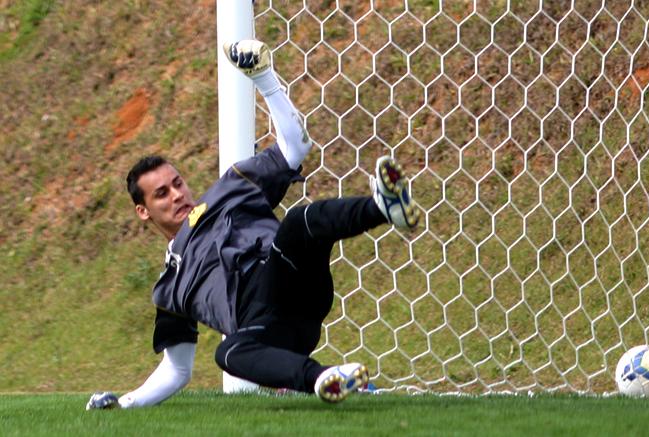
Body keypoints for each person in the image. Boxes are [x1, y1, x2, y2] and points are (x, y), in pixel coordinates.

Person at [86, 40, 419, 410]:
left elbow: (295, 148)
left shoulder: (229, 189)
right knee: (229, 353)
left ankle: (383, 207)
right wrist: (124, 404)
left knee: (298, 222)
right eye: (162, 193)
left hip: (287, 278)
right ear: (143, 211)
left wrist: (263, 78)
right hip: (270, 329)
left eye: (178, 183)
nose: (177, 195)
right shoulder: (169, 289)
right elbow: (176, 370)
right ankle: (323, 378)